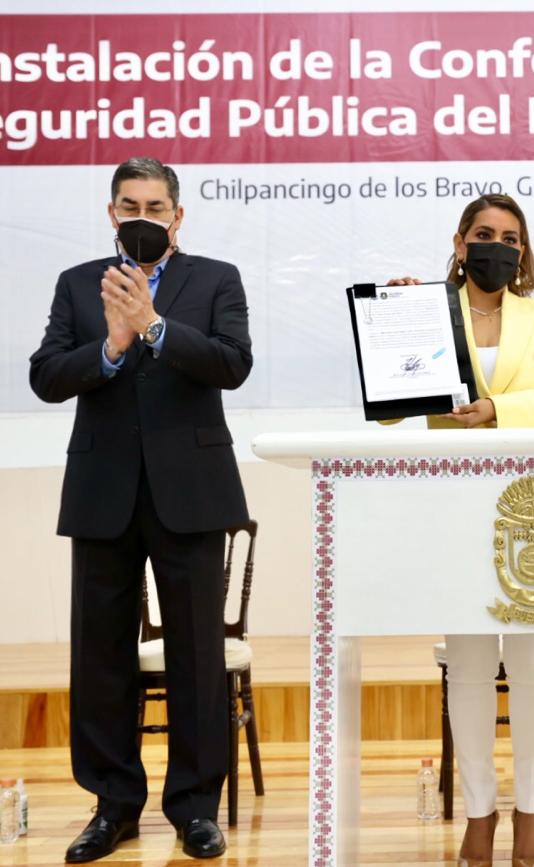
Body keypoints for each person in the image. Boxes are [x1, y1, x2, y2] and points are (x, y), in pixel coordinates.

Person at [29, 158, 252, 862]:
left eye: (156, 206)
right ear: (111, 212)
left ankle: (195, 808)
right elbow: (46, 376)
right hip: (103, 492)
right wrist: (111, 346)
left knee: (196, 654)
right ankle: (112, 805)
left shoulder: (216, 278)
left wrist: (154, 327)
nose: (142, 217)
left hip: (192, 489)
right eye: (129, 205)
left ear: (178, 215)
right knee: (100, 658)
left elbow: (231, 363)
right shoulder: (76, 283)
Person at [388, 194, 534, 866]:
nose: (496, 244)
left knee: (532, 662)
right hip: (453, 503)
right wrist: (400, 322)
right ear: (460, 240)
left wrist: (497, 407)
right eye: (483, 233)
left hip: (531, 505)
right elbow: (389, 413)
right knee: (468, 665)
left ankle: (531, 812)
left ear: (522, 251)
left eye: (509, 236)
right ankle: (479, 812)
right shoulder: (429, 308)